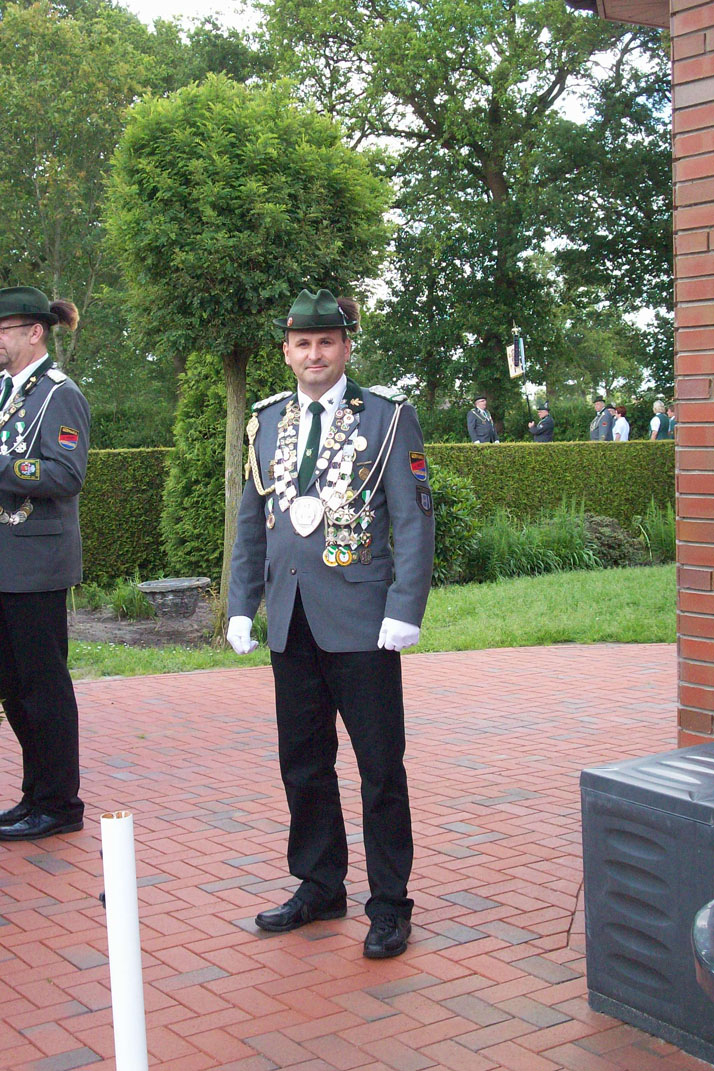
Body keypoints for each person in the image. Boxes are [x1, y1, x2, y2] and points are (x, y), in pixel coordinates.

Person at [227, 288, 435, 959]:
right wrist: (240, 604)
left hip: (363, 622)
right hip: (291, 618)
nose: (313, 354)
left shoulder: (388, 417)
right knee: (303, 763)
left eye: (325, 342)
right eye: (302, 344)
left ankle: (390, 903)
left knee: (380, 767)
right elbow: (252, 523)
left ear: (346, 347)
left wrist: (404, 608)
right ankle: (319, 885)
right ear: (287, 352)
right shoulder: (266, 422)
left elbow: (413, 519)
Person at [0, 286, 90, 840]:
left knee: (44, 689)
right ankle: (35, 794)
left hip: (36, 565)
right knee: (14, 689)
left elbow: (66, 473)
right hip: (5, 564)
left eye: (2, 330)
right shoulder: (5, 392)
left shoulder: (59, 394)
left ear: (35, 332)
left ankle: (59, 803)